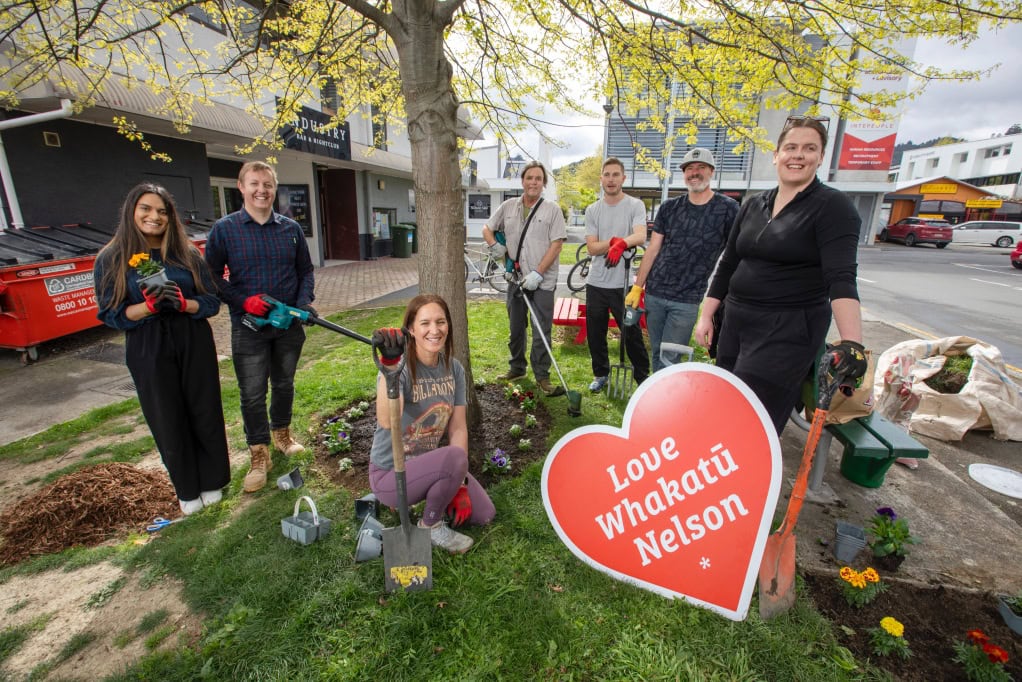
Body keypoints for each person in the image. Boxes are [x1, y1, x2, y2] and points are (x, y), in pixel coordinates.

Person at [692, 117, 868, 435]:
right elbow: (728, 263)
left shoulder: (833, 207)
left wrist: (852, 342)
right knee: (726, 399)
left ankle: (753, 479)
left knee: (754, 415)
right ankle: (719, 471)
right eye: (791, 147)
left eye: (809, 148)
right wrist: (707, 316)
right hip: (737, 322)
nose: (798, 155)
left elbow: (841, 278)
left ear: (820, 157)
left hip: (787, 328)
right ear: (776, 155)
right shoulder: (754, 205)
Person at [94, 183, 231, 515]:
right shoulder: (112, 258)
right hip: (148, 343)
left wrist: (185, 305)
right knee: (166, 415)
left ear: (171, 217)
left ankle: (213, 481)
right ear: (132, 211)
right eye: (146, 209)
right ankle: (187, 489)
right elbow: (110, 313)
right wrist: (148, 308)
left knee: (204, 409)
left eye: (162, 211)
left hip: (192, 338)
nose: (154, 217)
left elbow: (212, 301)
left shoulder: (186, 254)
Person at [205, 161, 316, 492]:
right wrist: (242, 301)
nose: (261, 190)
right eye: (254, 184)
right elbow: (210, 276)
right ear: (241, 187)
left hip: (288, 324)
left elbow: (305, 271)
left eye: (267, 184)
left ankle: (281, 434)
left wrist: (302, 303)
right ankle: (258, 453)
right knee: (252, 393)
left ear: (274, 188)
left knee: (284, 384)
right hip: (248, 326)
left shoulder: (290, 229)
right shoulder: (225, 230)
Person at [369, 294, 496, 554]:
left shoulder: (454, 369)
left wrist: (459, 484)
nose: (434, 330)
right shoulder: (400, 368)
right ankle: (430, 525)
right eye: (425, 323)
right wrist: (389, 370)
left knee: (484, 514)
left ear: (449, 325)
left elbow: (458, 428)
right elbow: (386, 420)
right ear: (411, 330)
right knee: (454, 457)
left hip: (431, 467)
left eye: (441, 322)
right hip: (392, 474)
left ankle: (431, 494)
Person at [627, 148, 739, 372]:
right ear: (684, 174)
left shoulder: (728, 209)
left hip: (687, 300)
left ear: (711, 172)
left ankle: (663, 399)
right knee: (658, 350)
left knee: (671, 358)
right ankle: (658, 396)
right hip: (655, 293)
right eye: (689, 169)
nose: (694, 173)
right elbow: (653, 250)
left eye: (700, 168)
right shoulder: (669, 208)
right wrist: (638, 287)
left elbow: (735, 255)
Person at [481, 160, 567, 397]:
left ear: (543, 184)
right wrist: (494, 246)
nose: (533, 182)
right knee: (516, 326)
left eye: (538, 179)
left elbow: (557, 244)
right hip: (515, 279)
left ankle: (542, 376)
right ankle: (517, 368)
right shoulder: (508, 206)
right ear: (523, 181)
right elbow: (487, 228)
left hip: (542, 281)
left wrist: (538, 273)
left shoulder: (552, 210)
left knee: (541, 329)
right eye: (530, 178)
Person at [583, 157, 650, 392]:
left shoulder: (635, 206)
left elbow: (640, 236)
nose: (611, 179)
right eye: (607, 175)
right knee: (596, 333)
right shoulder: (593, 210)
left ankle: (643, 378)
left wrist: (622, 243)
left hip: (622, 285)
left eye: (615, 175)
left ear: (624, 178)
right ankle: (600, 373)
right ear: (601, 178)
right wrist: (611, 242)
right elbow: (592, 248)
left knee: (631, 332)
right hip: (596, 283)